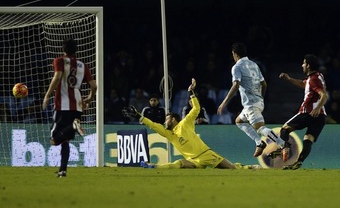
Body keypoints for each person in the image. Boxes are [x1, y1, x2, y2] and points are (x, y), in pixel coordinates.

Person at [122, 78, 260, 170]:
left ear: (174, 119)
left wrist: (191, 93)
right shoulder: (169, 134)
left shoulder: (185, 123)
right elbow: (153, 125)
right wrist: (140, 116)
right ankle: (153, 166)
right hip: (193, 160)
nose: (164, 122)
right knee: (178, 164)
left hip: (206, 154)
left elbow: (196, 109)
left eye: (167, 119)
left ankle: (248, 167)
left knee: (231, 169)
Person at [42, 38, 97, 177]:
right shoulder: (83, 65)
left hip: (62, 105)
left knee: (54, 139)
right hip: (77, 106)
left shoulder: (59, 61)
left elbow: (57, 76)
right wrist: (89, 99)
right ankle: (63, 170)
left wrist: (47, 95)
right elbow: (94, 86)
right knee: (65, 140)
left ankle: (73, 126)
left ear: (63, 49)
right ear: (76, 50)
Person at [217, 43, 283, 158]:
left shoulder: (237, 67)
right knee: (239, 121)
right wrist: (261, 98)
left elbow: (236, 85)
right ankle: (259, 143)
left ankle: (282, 144)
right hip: (257, 102)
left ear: (235, 54)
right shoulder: (254, 65)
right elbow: (264, 84)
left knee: (261, 128)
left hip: (251, 104)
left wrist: (223, 102)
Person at [276, 54, 328, 170]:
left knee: (284, 129)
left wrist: (317, 107)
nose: (302, 65)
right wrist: (289, 79)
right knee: (308, 139)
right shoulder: (317, 76)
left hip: (308, 112)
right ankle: (299, 162)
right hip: (321, 117)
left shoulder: (313, 79)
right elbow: (304, 84)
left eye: (304, 63)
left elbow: (324, 95)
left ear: (308, 65)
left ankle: (285, 147)